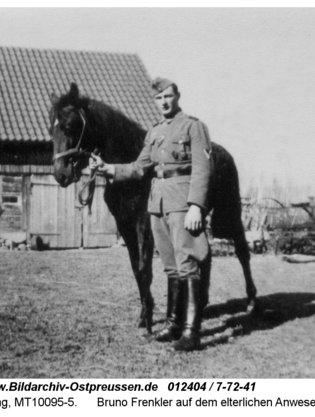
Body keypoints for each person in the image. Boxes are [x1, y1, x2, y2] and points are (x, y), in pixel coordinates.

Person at [89, 77, 213, 351]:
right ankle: (173, 324)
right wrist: (107, 167)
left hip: (182, 203)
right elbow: (138, 168)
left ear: (177, 96)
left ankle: (192, 331)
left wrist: (196, 205)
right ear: (155, 101)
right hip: (157, 204)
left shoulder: (193, 126)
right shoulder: (154, 133)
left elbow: (203, 169)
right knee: (170, 266)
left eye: (168, 96)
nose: (164, 102)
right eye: (159, 98)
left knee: (187, 263)